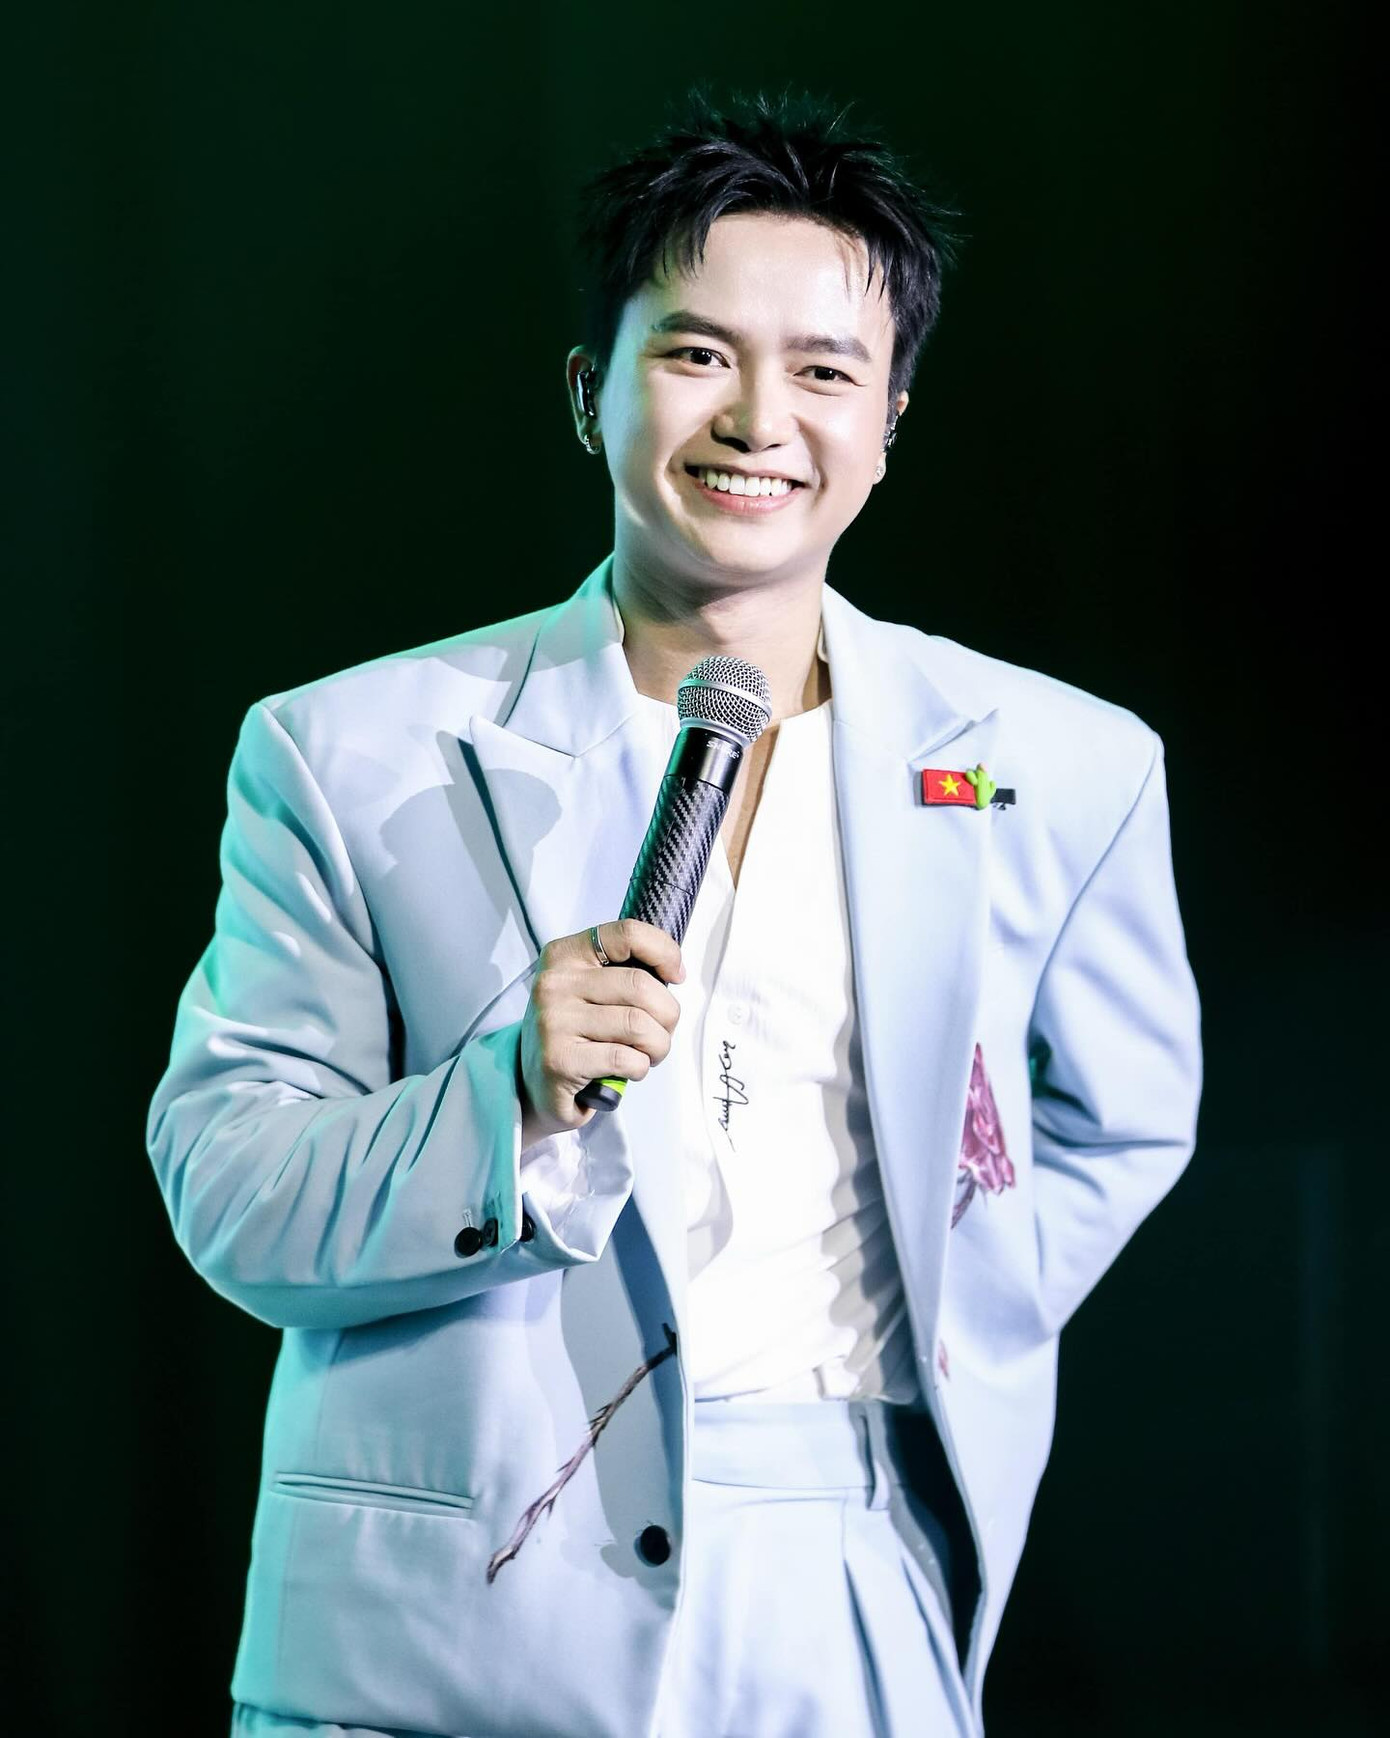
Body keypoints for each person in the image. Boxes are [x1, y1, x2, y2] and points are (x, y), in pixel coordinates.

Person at [146, 86, 1202, 1738]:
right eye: (698, 353)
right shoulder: (347, 751)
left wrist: (951, 1303)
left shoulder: (1059, 765)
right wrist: (503, 1100)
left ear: (890, 418)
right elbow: (231, 1187)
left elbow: (1117, 1119)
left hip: (849, 1565)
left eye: (824, 371)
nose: (758, 418)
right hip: (459, 1599)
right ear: (591, 392)